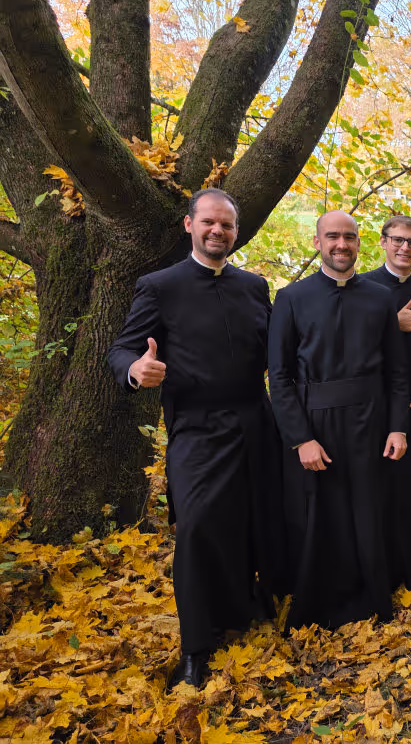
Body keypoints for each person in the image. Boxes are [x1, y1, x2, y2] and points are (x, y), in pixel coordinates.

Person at [107, 188, 286, 689]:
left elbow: (285, 348)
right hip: (196, 428)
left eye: (226, 225)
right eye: (209, 222)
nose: (217, 231)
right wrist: (136, 369)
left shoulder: (254, 287)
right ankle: (194, 648)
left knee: (256, 520)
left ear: (236, 232)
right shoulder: (159, 286)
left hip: (257, 423)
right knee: (197, 527)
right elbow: (121, 350)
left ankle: (248, 605)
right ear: (190, 225)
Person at [268, 211, 409, 630]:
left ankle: (371, 598)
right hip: (315, 424)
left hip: (371, 422)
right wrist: (300, 438)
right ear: (317, 243)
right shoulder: (291, 298)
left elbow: (396, 370)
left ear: (359, 243)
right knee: (319, 513)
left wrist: (398, 426)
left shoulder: (381, 298)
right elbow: (279, 375)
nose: (341, 244)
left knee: (367, 508)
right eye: (332, 236)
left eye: (349, 237)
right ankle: (319, 604)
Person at [360, 215, 411, 589]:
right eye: (398, 240)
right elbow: (350, 342)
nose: (404, 248)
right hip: (374, 402)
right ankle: (382, 555)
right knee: (381, 478)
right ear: (383, 242)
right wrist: (392, 323)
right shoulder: (363, 287)